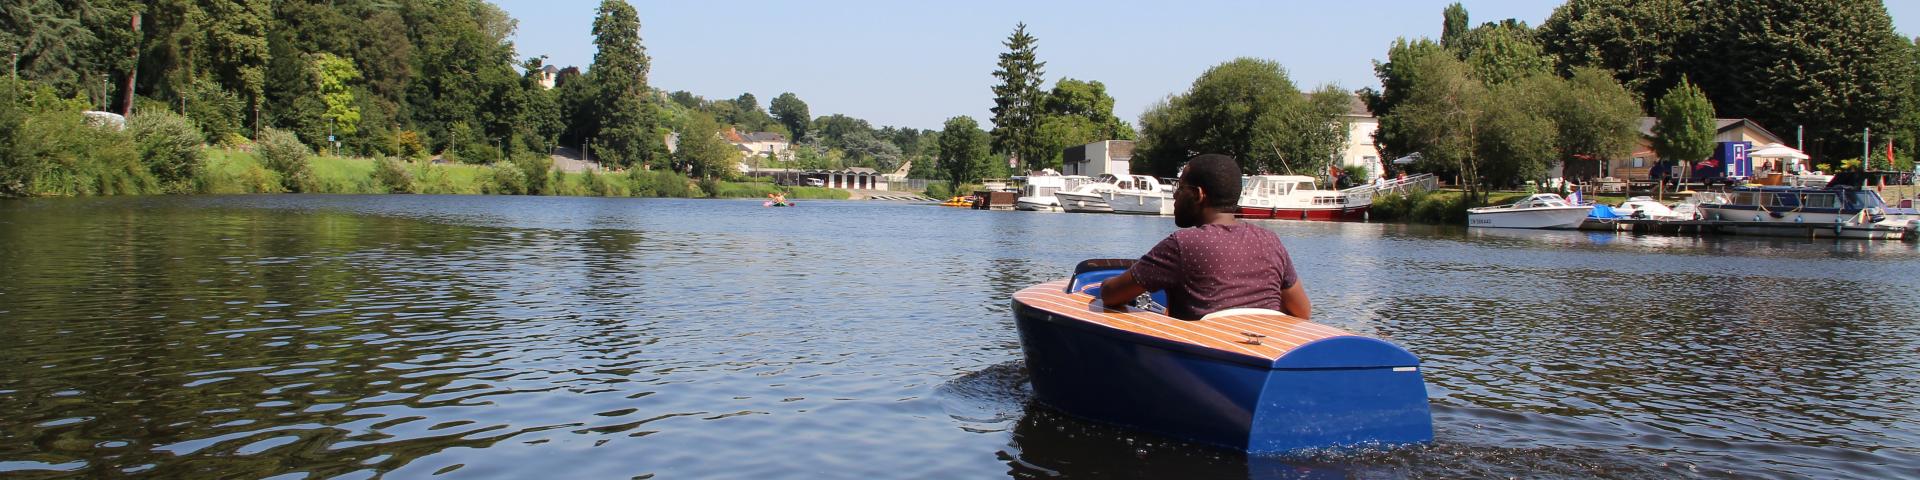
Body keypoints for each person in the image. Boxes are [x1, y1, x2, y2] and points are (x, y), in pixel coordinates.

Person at [1098, 154, 1312, 320]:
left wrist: (1105, 284)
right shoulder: (1270, 241)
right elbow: (1302, 311)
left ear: (1199, 194)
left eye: (1180, 188)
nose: (1174, 195)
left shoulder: (1183, 244)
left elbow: (1111, 294)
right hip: (1262, 353)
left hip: (1199, 361)